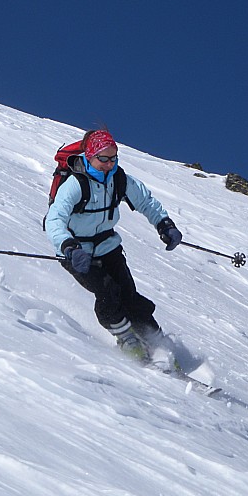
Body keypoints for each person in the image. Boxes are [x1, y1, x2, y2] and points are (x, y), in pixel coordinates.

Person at [45, 129, 183, 364]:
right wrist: (68, 246)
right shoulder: (75, 184)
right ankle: (127, 339)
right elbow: (54, 219)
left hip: (108, 247)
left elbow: (146, 202)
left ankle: (158, 343)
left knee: (129, 296)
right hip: (77, 252)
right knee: (108, 293)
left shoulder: (118, 179)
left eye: (113, 158)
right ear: (90, 156)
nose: (109, 164)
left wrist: (164, 224)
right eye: (103, 159)